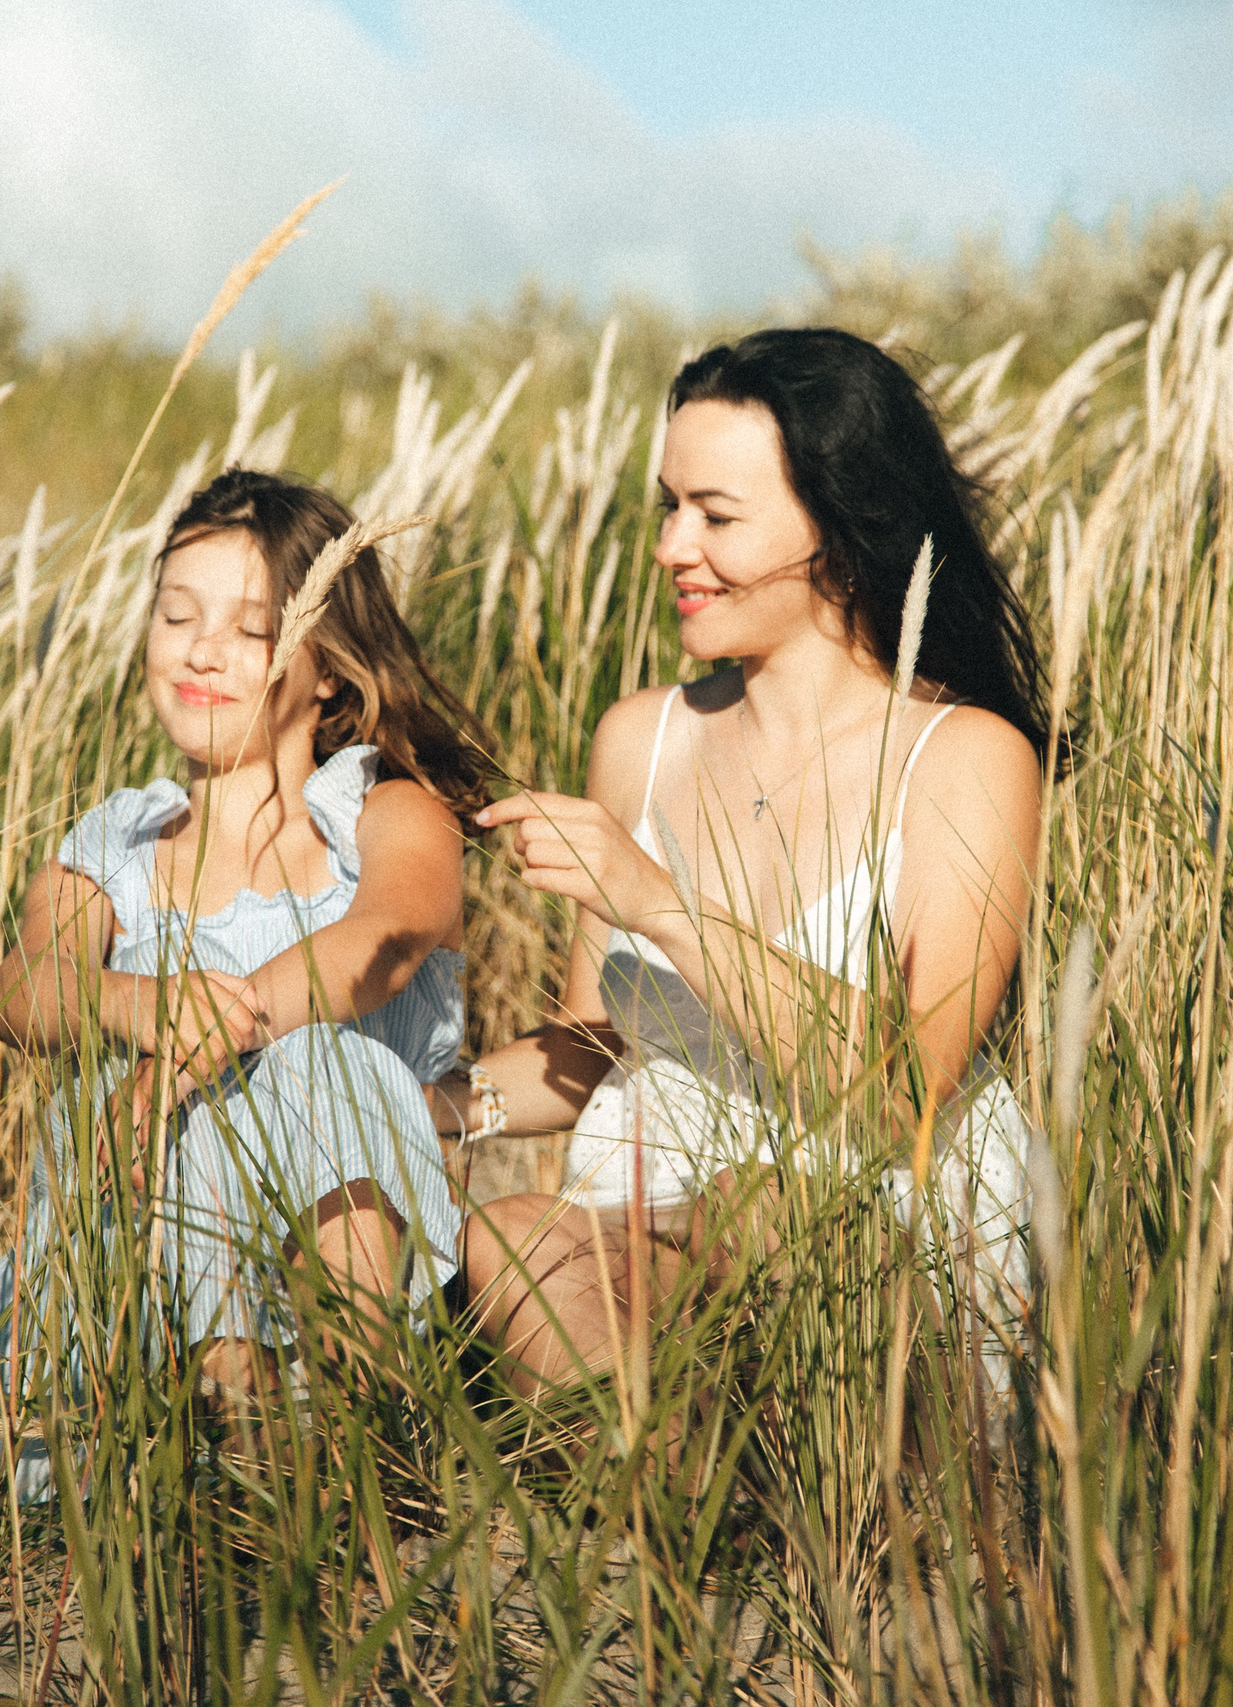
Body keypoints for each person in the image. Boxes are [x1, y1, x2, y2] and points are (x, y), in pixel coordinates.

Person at [441, 328, 1048, 1396]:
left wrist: (664, 910)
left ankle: (788, 1469)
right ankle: (689, 1483)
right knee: (510, 1236)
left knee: (752, 1205)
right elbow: (591, 1052)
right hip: (646, 1229)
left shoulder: (964, 759)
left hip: (867, 1235)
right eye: (669, 509)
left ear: (841, 525)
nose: (674, 546)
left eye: (716, 516)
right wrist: (430, 1105)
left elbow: (911, 1088)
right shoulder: (643, 736)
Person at [0, 469, 488, 1502]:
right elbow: (23, 987)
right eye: (177, 614)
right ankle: (220, 1408)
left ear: (327, 670)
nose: (200, 648)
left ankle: (351, 1420)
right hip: (142, 1234)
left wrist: (180, 1060)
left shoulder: (382, 817)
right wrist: (134, 1004)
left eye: (250, 627)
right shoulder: (122, 842)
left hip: (342, 1256)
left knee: (324, 1066)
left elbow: (385, 938)